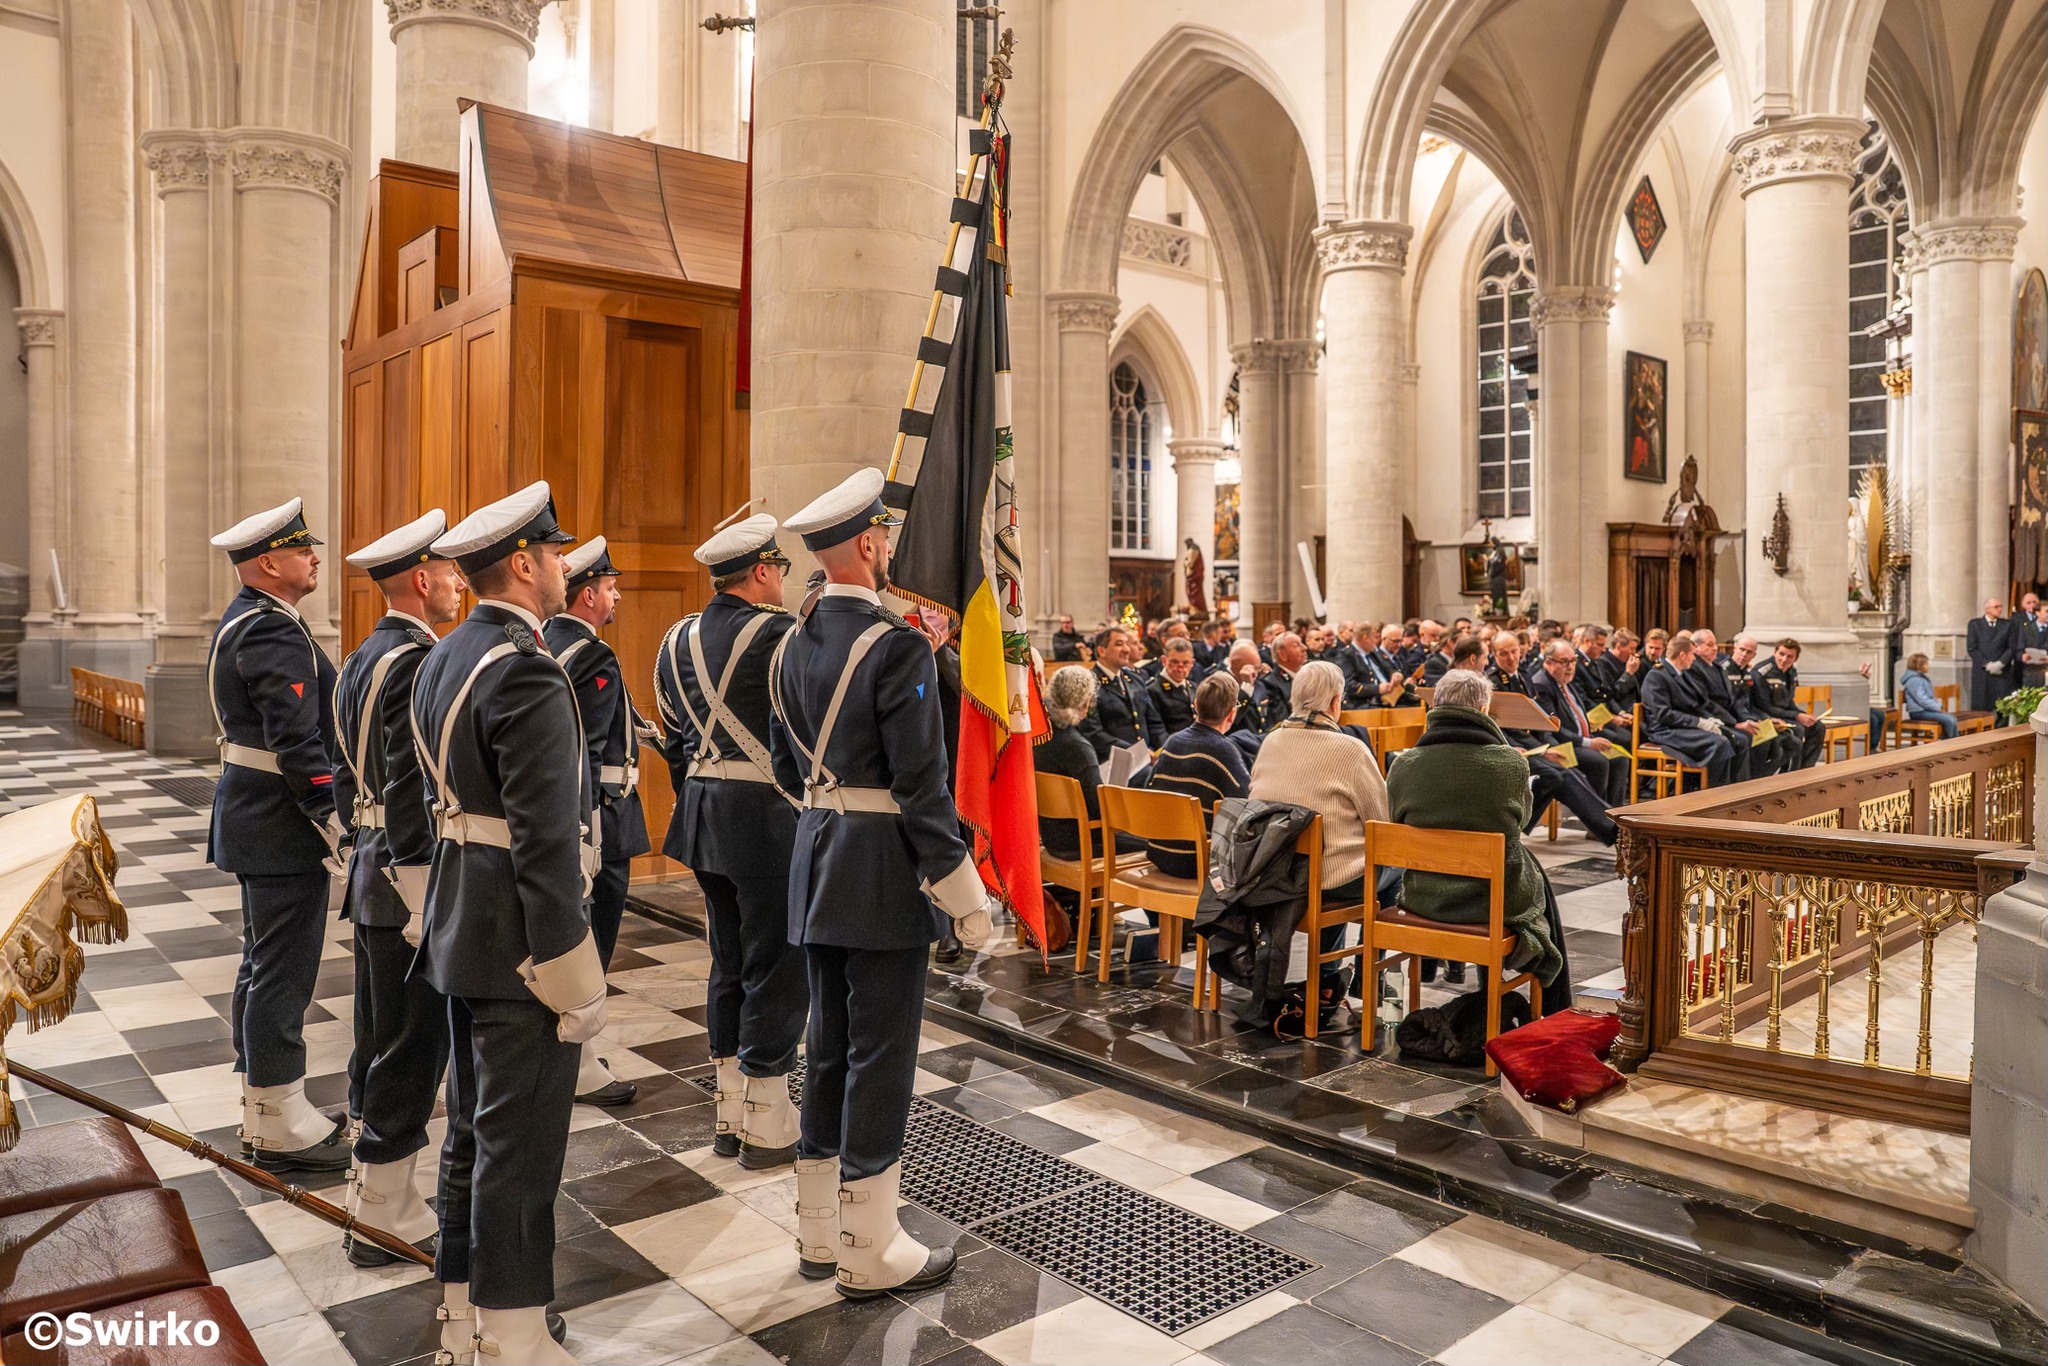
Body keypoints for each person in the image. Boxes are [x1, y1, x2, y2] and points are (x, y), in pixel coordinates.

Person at [772, 467, 996, 1298]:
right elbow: (921, 787)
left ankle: (820, 1233)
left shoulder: (792, 641)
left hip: (817, 856)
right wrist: (965, 899)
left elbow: (785, 755)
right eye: (887, 538)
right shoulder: (894, 647)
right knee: (881, 1056)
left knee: (827, 1046)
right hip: (879, 876)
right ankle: (872, 1249)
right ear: (869, 545)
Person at [411, 481, 598, 1364]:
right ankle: (518, 1339)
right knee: (520, 1151)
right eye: (557, 554)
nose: (565, 567)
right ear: (524, 564)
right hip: (519, 940)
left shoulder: (444, 656)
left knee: (470, 1137)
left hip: (458, 922)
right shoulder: (524, 667)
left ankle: (463, 1315)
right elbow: (545, 838)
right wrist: (572, 970)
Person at [656, 512, 811, 1165]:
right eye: (780, 570)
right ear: (762, 571)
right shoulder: (783, 636)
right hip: (766, 816)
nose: (782, 582)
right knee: (777, 962)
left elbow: (671, 739)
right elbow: (807, 728)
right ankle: (768, 1119)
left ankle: (727, 1109)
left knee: (726, 959)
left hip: (700, 812)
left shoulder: (675, 638)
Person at [206, 497, 350, 1175]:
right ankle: (278, 1119)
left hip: (256, 817)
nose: (314, 558)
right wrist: (331, 816)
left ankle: (263, 1097)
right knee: (282, 973)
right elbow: (298, 742)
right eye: (302, 550)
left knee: (262, 963)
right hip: (280, 824)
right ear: (269, 562)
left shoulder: (253, 620)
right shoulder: (272, 632)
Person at [333, 511, 462, 1265]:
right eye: (447, 573)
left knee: (378, 1037)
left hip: (372, 862)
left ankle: (372, 1181)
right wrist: (421, 895)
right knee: (412, 1047)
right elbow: (410, 784)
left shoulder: (361, 655)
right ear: (421, 579)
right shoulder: (416, 661)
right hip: (404, 871)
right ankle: (385, 1212)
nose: (455, 586)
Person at [1384, 668, 1572, 1012]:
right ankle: (1555, 1006)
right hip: (1488, 901)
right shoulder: (1510, 763)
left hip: (1422, 897)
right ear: (1484, 710)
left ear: (1436, 706)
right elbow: (1523, 822)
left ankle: (1404, 993)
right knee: (1537, 882)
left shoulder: (1404, 764)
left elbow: (1395, 818)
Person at [542, 537, 653, 1110]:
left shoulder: (546, 644)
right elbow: (580, 753)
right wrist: (586, 835)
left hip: (577, 821)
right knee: (592, 944)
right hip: (599, 822)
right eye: (610, 589)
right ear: (587, 595)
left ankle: (572, 1055)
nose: (616, 600)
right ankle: (580, 1065)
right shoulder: (592, 656)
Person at [1246, 661, 1391, 1016]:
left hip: (1275, 873)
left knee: (1334, 857)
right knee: (1390, 868)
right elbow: (1382, 820)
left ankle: (1328, 977)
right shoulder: (1349, 749)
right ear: (1335, 703)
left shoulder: (1271, 740)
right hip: (1326, 879)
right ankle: (1368, 975)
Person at [1147, 673, 1252, 877]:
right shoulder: (1224, 750)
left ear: (1195, 705)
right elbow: (1247, 805)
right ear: (1231, 714)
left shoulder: (1172, 742)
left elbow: (1149, 788)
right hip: (1197, 860)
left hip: (1160, 853)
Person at [1529, 641, 1631, 809]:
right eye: (1564, 662)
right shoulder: (1542, 685)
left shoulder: (1565, 682)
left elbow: (1575, 712)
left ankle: (1615, 814)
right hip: (1562, 744)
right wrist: (1589, 743)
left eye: (1573, 661)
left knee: (1619, 758)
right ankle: (1598, 818)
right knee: (1598, 761)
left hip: (1579, 737)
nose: (1570, 666)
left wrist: (1590, 723)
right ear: (1548, 662)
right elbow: (1553, 727)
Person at [1641, 632, 1739, 787]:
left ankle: (1722, 789)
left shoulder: (1680, 674)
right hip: (1664, 730)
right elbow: (1664, 714)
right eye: (1692, 655)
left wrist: (1707, 719)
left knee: (1731, 737)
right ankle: (1712, 794)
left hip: (1681, 727)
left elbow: (1693, 704)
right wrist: (1698, 722)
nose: (1694, 659)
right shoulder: (1656, 676)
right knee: (1719, 743)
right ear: (1682, 655)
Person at [1080, 625, 1166, 759]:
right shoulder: (1089, 683)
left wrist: (1165, 751)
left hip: (1147, 757)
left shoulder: (1135, 678)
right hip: (1114, 761)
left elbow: (1154, 722)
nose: (1127, 649)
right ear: (1102, 651)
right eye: (1119, 644)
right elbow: (1093, 733)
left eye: (1127, 643)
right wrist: (1136, 753)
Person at [1744, 636, 1826, 770]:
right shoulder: (1762, 672)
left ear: (1795, 658)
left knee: (1817, 727)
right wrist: (1796, 716)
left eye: (1789, 657)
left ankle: (1805, 769)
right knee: (1797, 729)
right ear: (1775, 652)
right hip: (1766, 716)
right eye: (1781, 654)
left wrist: (1802, 714)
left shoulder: (1791, 672)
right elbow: (1765, 706)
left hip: (1785, 714)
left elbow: (1789, 701)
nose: (1784, 659)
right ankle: (1790, 773)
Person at [1688, 630, 1761, 780]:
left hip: (1725, 718)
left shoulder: (1716, 667)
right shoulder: (1694, 668)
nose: (1715, 648)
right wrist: (1735, 724)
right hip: (1710, 719)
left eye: (1715, 644)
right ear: (1695, 647)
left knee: (1763, 737)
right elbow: (1707, 703)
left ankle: (1743, 785)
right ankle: (1728, 788)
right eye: (1709, 645)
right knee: (1740, 739)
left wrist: (1743, 721)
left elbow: (1732, 700)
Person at [1967, 598, 2017, 715]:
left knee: (2003, 708)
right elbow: (1972, 648)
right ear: (1987, 609)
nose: (2000, 609)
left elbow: (2011, 647)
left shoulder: (2007, 625)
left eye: (2001, 606)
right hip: (1983, 672)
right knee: (1981, 709)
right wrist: (1987, 664)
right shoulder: (1975, 624)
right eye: (1996, 607)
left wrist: (2000, 663)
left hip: (2002, 672)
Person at [1251, 631, 1308, 731]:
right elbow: (1281, 721)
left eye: (1302, 643)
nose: (1304, 648)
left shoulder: (1306, 677)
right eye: (1296, 645)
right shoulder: (1270, 684)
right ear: (1282, 655)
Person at [1148, 637, 1201, 732]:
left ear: (1192, 663)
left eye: (1185, 663)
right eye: (1174, 662)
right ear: (1164, 661)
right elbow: (1157, 730)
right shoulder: (1153, 690)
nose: (1180, 668)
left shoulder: (1194, 687)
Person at [1900, 653, 1959, 737]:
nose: (1928, 666)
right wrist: (1937, 708)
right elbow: (1921, 699)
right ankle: (1950, 743)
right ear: (1918, 666)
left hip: (1926, 710)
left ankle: (1954, 742)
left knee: (1952, 719)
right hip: (1919, 712)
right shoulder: (1913, 680)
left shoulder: (1920, 678)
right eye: (1926, 664)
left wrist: (1937, 706)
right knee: (1949, 720)